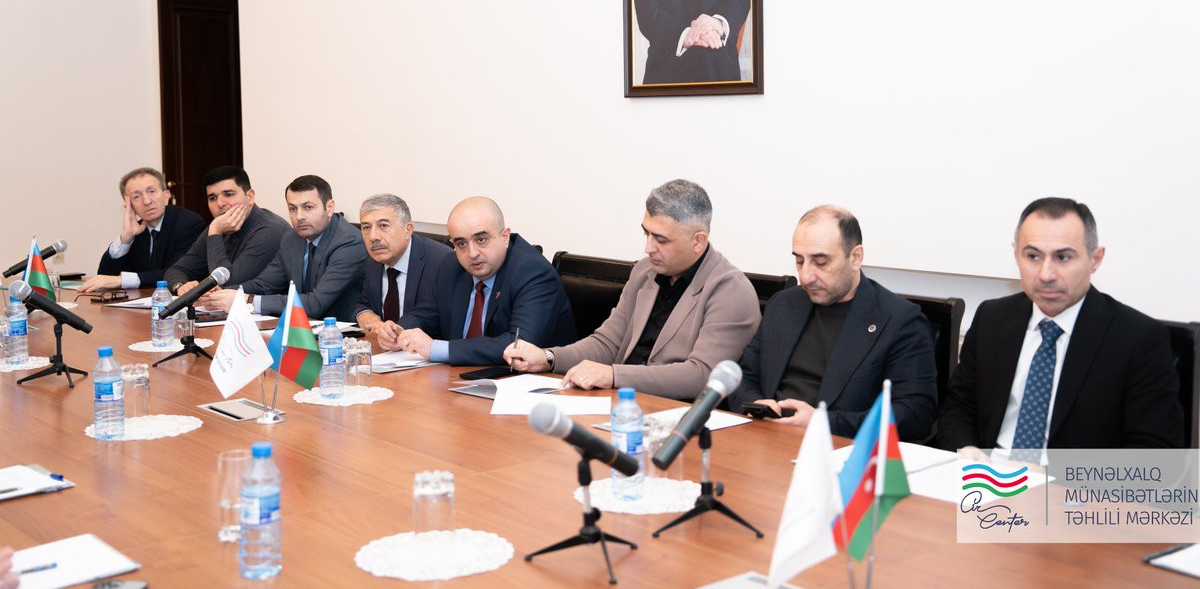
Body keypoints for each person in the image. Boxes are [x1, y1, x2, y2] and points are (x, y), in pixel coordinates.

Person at [938, 197, 1183, 453]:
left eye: (1063, 257)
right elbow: (958, 407)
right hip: (989, 471)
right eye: (1033, 256)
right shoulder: (992, 318)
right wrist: (967, 451)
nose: (1046, 274)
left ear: (1095, 259)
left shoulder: (1139, 338)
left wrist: (1055, 477)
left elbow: (1154, 452)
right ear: (1016, 255)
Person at [505, 179, 760, 401]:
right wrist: (548, 358)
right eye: (646, 234)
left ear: (698, 241)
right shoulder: (644, 271)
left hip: (677, 415)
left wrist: (614, 375)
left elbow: (702, 376)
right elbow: (607, 343)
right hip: (620, 403)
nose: (648, 248)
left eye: (661, 239)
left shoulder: (730, 290)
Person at [728, 206, 938, 441]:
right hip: (767, 440)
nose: (805, 276)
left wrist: (823, 423)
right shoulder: (783, 305)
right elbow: (743, 376)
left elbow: (916, 415)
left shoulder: (899, 321)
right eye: (799, 260)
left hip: (837, 450)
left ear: (855, 258)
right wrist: (757, 404)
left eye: (820, 262)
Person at [389, 196, 575, 366]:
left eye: (481, 239)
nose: (472, 253)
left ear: (505, 237)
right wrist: (398, 331)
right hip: (460, 377)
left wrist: (436, 349)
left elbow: (519, 346)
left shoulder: (532, 271)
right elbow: (427, 314)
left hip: (529, 382)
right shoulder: (451, 265)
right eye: (461, 243)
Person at [205, 175, 367, 320]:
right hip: (302, 329)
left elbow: (316, 304)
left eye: (308, 207)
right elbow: (263, 285)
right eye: (292, 209)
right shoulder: (292, 238)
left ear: (329, 207)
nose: (299, 217)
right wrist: (221, 294)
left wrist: (247, 300)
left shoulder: (349, 242)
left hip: (341, 332)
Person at [163, 165, 290, 295]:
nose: (220, 204)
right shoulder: (218, 226)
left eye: (228, 194)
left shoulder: (270, 230)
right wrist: (180, 286)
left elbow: (226, 284)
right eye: (212, 198)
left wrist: (215, 232)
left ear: (250, 197)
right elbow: (176, 270)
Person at [77, 167, 206, 292]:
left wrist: (122, 280)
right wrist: (125, 241)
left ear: (166, 196)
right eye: (136, 196)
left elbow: (176, 273)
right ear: (128, 206)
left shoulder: (189, 223)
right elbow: (105, 277)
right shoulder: (137, 230)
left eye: (152, 191)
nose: (147, 201)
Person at [352, 193, 451, 337]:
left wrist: (393, 330)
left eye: (383, 226)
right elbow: (363, 302)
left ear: (408, 230)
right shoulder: (372, 261)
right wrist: (364, 314)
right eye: (366, 227)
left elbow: (430, 314)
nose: (373, 237)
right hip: (383, 347)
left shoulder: (441, 261)